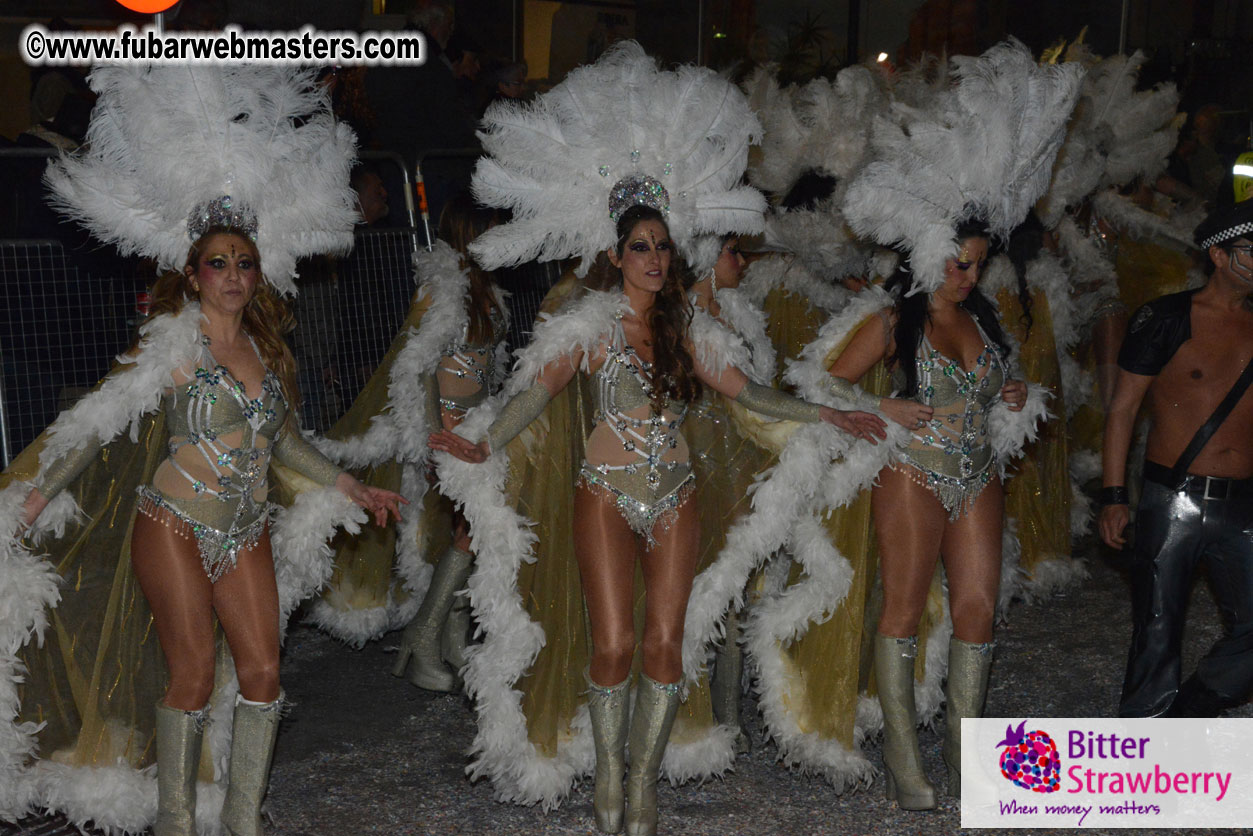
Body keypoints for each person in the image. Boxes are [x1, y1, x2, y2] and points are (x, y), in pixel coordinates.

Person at [0, 64, 390, 834]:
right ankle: (178, 821)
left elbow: (284, 445)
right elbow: (106, 418)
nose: (234, 277)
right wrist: (42, 492)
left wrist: (349, 487)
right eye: (219, 263)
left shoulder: (268, 352)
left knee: (264, 674)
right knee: (190, 671)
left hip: (243, 529)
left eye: (244, 263)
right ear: (192, 272)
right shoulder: (171, 345)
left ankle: (241, 818)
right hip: (173, 523)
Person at [433, 203, 885, 835]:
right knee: (614, 645)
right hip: (604, 495)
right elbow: (534, 396)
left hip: (676, 496)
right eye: (640, 246)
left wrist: (825, 416)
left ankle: (641, 780)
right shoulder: (587, 328)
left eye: (663, 247)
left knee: (667, 642)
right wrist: (485, 443)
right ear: (616, 256)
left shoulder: (687, 328)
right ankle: (611, 774)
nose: (653, 258)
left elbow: (747, 393)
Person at [1100, 200, 1253, 718]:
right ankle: (1147, 747)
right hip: (1173, 499)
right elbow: (1122, 409)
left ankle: (1187, 714)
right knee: (1157, 629)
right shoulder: (1165, 318)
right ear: (1218, 254)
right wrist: (1115, 495)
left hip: (1245, 502)